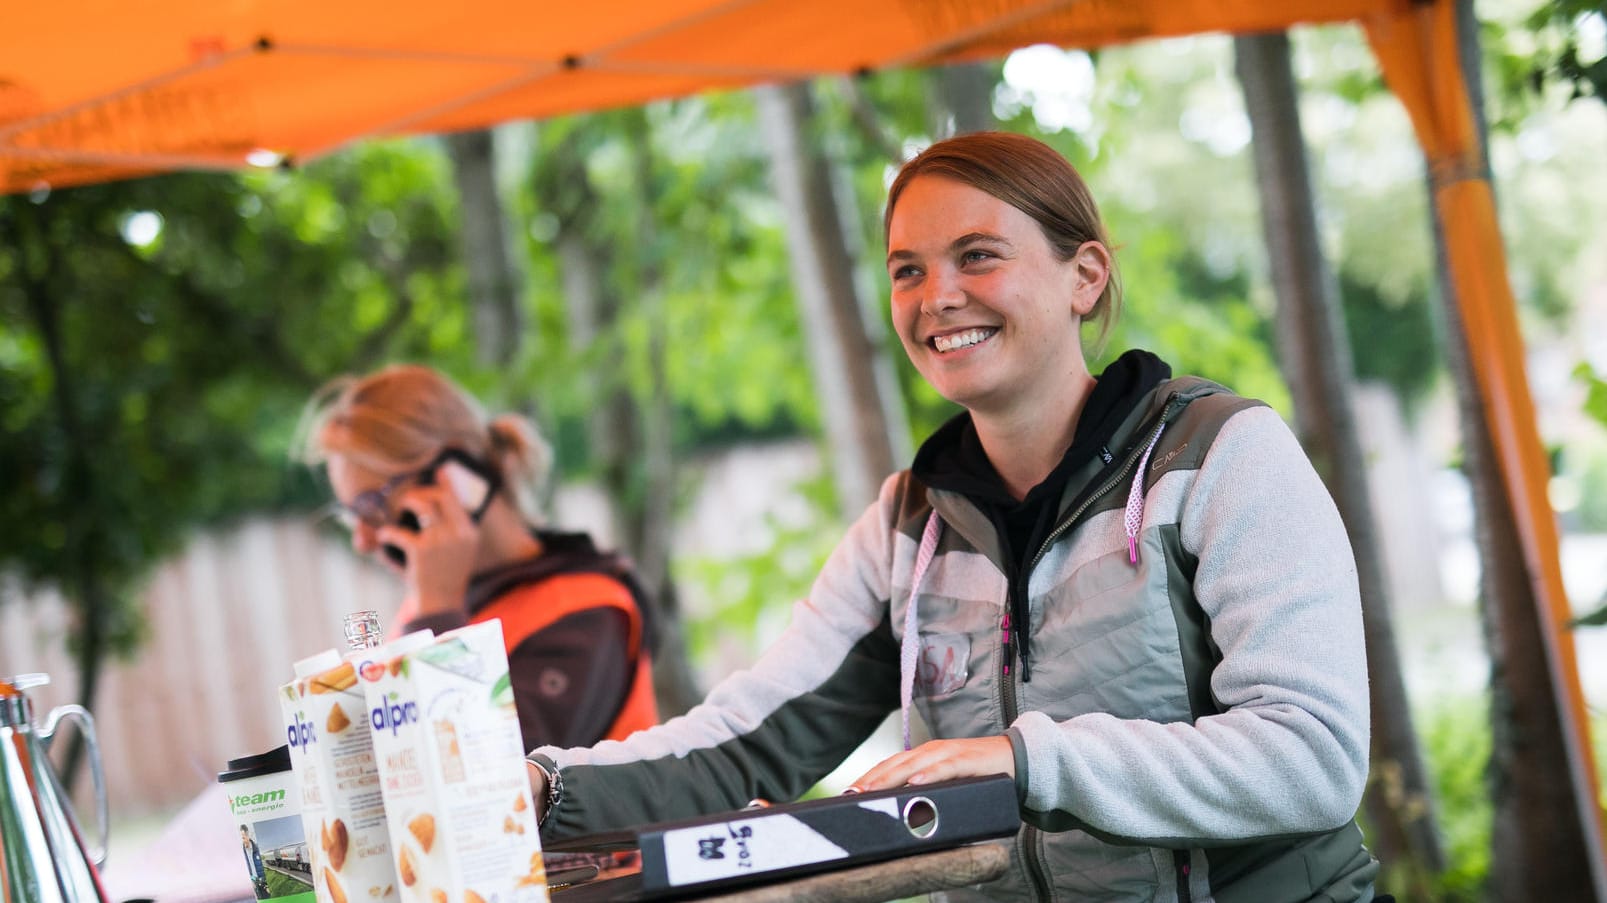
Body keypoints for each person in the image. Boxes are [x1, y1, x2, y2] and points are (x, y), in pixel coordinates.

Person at [524, 132, 1378, 901]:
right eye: (907, 269)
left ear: (1084, 276)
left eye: (977, 255)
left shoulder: (1221, 455)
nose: (937, 296)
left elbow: (1310, 756)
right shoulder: (906, 524)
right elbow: (746, 740)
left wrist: (1026, 759)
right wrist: (541, 790)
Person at [300, 364, 658, 753]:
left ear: (453, 476)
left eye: (372, 505)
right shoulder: (430, 607)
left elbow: (482, 775)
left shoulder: (588, 610)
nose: (363, 540)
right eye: (352, 514)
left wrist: (437, 615)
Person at [241, 825, 269, 899]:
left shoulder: (258, 849)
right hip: (254, 887)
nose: (242, 842)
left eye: (243, 838)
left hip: (263, 885)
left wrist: (266, 884)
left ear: (248, 835)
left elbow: (265, 868)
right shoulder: (242, 853)